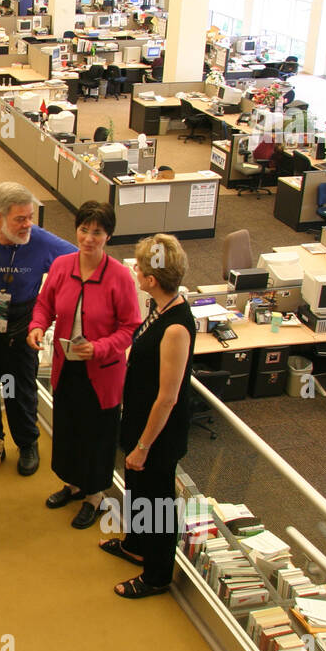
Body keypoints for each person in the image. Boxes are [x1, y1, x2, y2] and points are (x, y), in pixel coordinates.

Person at [28, 201, 140, 529]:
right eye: (83, 230)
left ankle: (94, 496)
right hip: (67, 365)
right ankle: (73, 485)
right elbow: (44, 304)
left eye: (97, 232)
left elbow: (130, 326)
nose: (88, 238)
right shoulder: (63, 266)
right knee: (69, 429)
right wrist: (37, 326)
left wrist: (101, 348)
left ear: (109, 236)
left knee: (98, 435)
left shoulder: (119, 276)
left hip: (102, 372)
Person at [0, 182, 75, 476]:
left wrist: (53, 307)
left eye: (30, 217)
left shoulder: (43, 241)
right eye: (20, 219)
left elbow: (80, 264)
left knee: (19, 388)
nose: (27, 226)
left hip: (21, 322)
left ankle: (27, 444)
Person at [101, 234, 194, 599]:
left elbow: (168, 398)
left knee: (157, 502)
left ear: (152, 280)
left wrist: (142, 446)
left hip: (158, 435)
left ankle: (156, 575)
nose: (135, 271)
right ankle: (135, 545)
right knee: (138, 490)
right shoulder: (160, 307)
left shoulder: (174, 328)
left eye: (139, 268)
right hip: (140, 422)